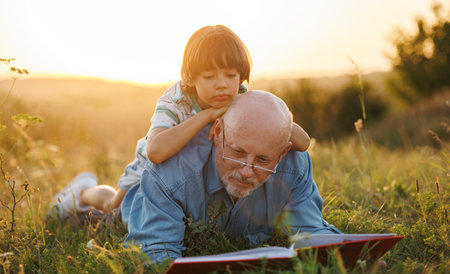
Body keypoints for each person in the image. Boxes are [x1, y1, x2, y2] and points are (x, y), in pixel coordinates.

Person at [50, 25, 311, 218]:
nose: (221, 84)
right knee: (112, 209)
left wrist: (271, 114)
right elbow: (156, 152)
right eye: (209, 76)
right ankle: (82, 191)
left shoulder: (240, 98)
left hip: (194, 171)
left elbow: (302, 142)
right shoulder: (175, 102)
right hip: (152, 171)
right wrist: (207, 115)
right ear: (191, 78)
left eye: (230, 75)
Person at [121, 90, 341, 263]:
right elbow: (156, 254)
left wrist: (359, 259)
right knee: (106, 209)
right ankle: (88, 193)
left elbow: (313, 234)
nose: (246, 171)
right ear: (218, 133)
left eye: (263, 160)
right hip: (137, 204)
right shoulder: (172, 172)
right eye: (237, 152)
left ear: (282, 152)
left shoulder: (294, 165)